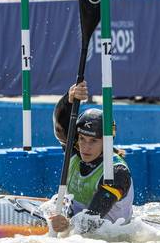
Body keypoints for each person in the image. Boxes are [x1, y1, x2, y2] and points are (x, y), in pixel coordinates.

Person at [50, 80, 134, 233]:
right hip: (76, 222)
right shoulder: (75, 151)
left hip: (111, 239)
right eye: (82, 138)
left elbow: (91, 222)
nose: (85, 147)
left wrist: (66, 225)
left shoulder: (117, 172)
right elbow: (60, 128)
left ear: (107, 141)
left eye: (93, 141)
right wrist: (70, 99)